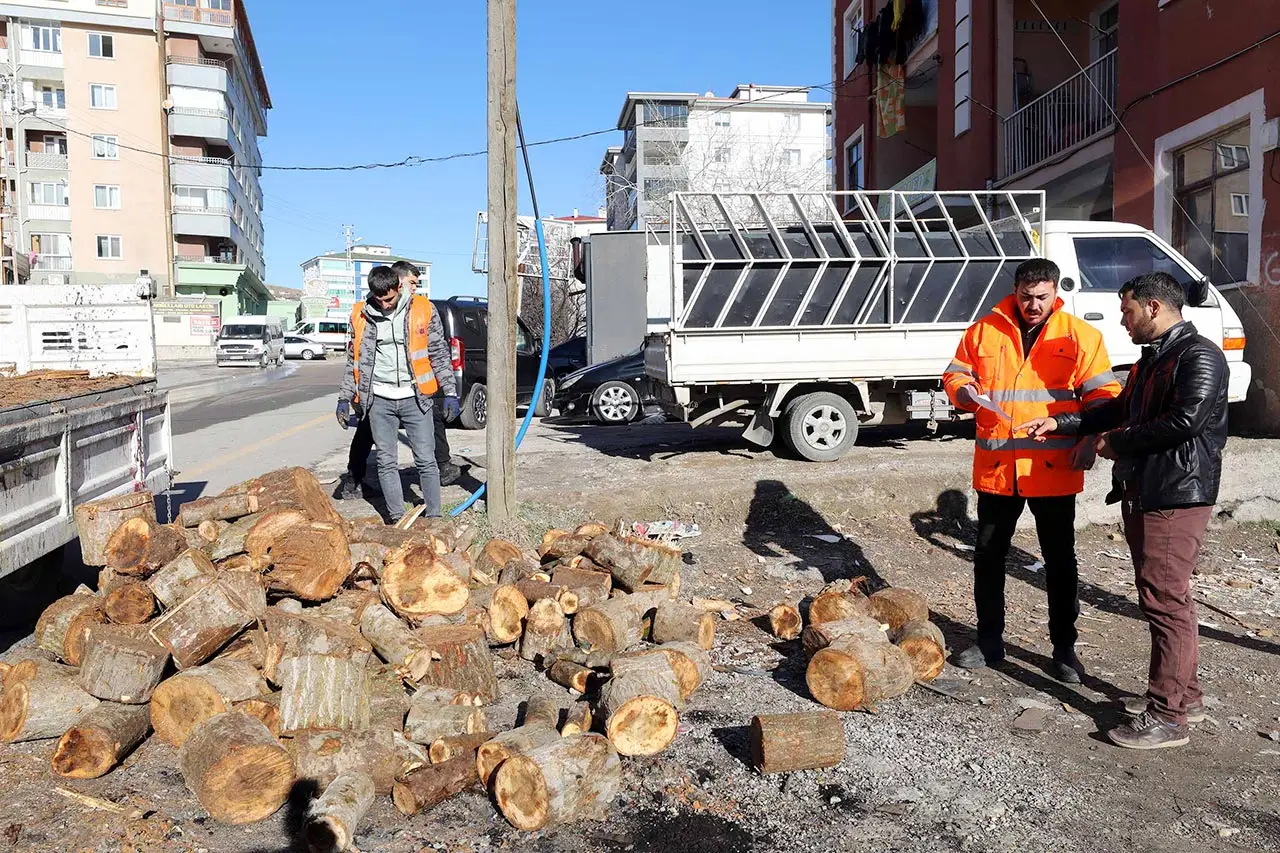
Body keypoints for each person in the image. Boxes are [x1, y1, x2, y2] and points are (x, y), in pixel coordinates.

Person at [1018, 272, 1228, 750]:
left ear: (1154, 307)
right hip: (1149, 489)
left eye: (1127, 310)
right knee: (1167, 596)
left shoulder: (1198, 356)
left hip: (1174, 494)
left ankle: (1168, 717)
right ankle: (1184, 696)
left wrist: (1116, 442)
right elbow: (1117, 409)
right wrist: (1062, 421)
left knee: (1164, 599)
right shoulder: (1153, 360)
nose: (1122, 319)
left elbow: (1185, 420)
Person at [942, 258, 1122, 683]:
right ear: (1016, 290)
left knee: (1060, 561)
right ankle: (989, 642)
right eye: (1026, 296)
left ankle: (1064, 649)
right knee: (988, 557)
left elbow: (1104, 396)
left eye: (1042, 297)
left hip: (1053, 467)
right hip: (999, 468)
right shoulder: (984, 330)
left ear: (1055, 292)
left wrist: (1087, 440)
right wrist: (964, 392)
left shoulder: (1080, 336)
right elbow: (954, 375)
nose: (1033, 305)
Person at [337, 265, 461, 521]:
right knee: (386, 461)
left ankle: (435, 518)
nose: (384, 305)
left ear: (399, 287)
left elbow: (438, 352)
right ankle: (396, 518)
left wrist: (450, 391)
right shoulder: (360, 315)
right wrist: (344, 397)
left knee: (426, 460)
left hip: (415, 398)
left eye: (389, 299)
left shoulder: (424, 310)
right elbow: (354, 360)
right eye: (378, 300)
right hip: (379, 400)